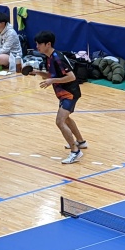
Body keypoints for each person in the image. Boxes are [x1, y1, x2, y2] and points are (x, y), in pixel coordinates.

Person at [32, 30, 86, 164]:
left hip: (70, 93)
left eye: (39, 44)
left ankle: (75, 152)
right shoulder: (49, 57)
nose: (37, 47)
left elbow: (71, 77)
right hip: (63, 94)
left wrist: (52, 81)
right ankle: (80, 142)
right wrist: (37, 72)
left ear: (48, 44)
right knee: (66, 119)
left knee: (60, 121)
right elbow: (52, 75)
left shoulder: (57, 58)